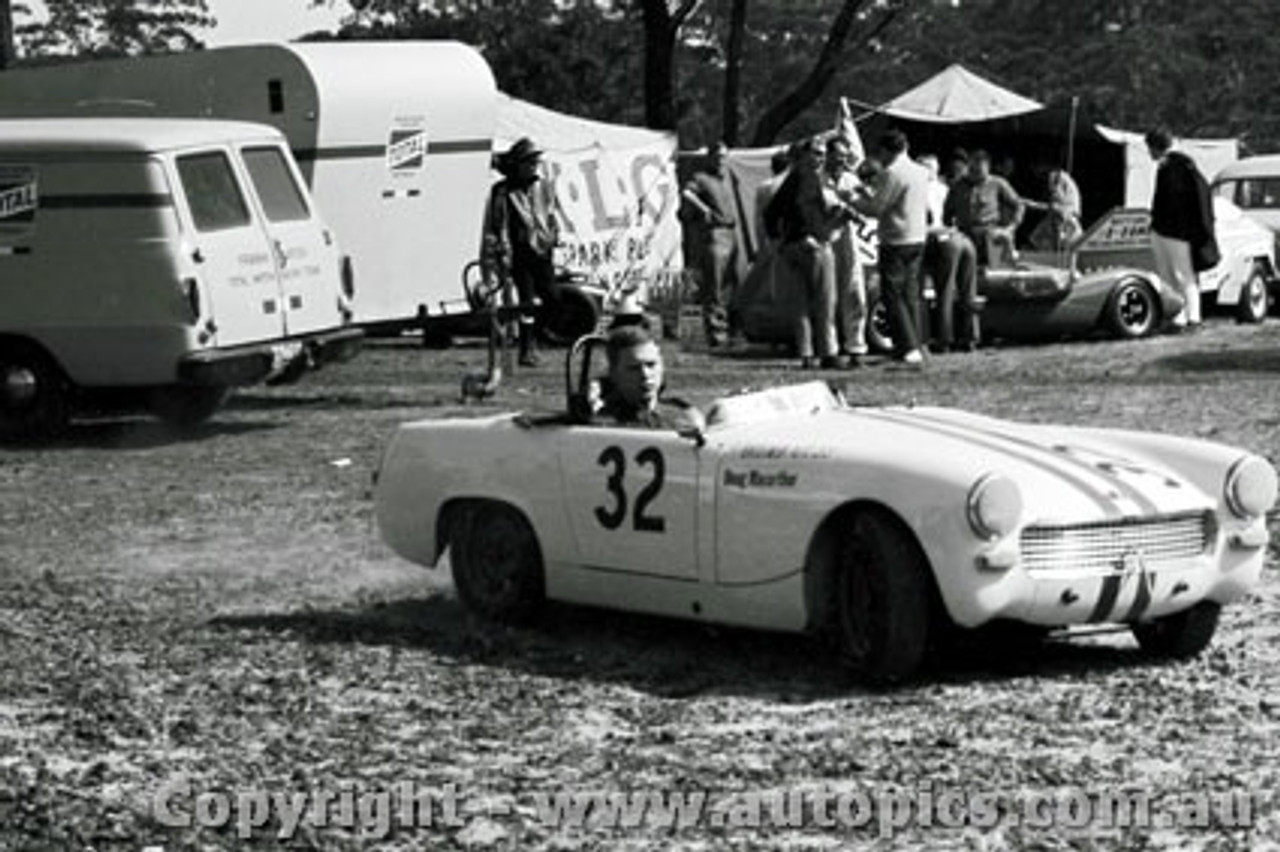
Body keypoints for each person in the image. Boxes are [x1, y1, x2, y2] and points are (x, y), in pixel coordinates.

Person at [480, 137, 562, 367]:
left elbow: (551, 214)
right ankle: (526, 348)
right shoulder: (502, 191)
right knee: (525, 300)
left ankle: (538, 335)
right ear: (518, 164)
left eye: (535, 161)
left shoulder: (544, 186)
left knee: (552, 297)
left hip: (542, 251)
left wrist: (554, 235)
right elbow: (497, 223)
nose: (534, 165)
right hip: (517, 253)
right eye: (529, 161)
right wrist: (497, 250)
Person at [851, 128, 930, 366]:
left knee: (892, 295)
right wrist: (869, 193)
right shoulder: (921, 171)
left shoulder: (892, 173)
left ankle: (907, 347)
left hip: (896, 240)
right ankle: (915, 344)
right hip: (917, 237)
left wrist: (851, 198)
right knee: (910, 295)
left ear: (886, 151)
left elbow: (875, 209)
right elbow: (897, 200)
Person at [765, 136, 844, 369]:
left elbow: (771, 212)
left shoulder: (790, 179)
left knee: (800, 304)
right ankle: (829, 352)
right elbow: (801, 209)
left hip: (792, 247)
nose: (821, 158)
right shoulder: (808, 177)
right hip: (811, 246)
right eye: (817, 153)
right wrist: (807, 233)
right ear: (805, 155)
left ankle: (806, 354)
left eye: (822, 154)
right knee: (825, 299)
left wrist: (778, 240)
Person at [1145, 127, 1217, 331]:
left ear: (1157, 147)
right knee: (1173, 275)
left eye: (1150, 148)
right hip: (1166, 229)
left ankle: (1192, 317)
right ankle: (1179, 317)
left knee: (1182, 275)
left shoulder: (1181, 165)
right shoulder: (1169, 165)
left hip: (1176, 230)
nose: (1149, 153)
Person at [681, 141, 740, 348]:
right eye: (717, 156)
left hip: (732, 233)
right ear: (709, 157)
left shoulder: (729, 178)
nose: (720, 160)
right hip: (714, 233)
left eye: (724, 156)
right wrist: (703, 209)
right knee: (713, 286)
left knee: (730, 284)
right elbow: (687, 193)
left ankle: (732, 330)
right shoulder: (701, 178)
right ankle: (716, 333)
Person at [593, 324, 702, 430]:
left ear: (662, 366)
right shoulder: (601, 423)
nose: (645, 374)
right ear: (614, 373)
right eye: (634, 368)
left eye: (651, 365)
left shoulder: (685, 415)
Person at [824, 135, 870, 365]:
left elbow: (867, 200)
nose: (842, 160)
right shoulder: (817, 179)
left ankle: (856, 347)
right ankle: (830, 349)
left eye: (845, 156)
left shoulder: (851, 179)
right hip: (826, 239)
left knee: (854, 292)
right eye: (838, 155)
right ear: (828, 155)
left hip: (849, 241)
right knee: (827, 295)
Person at [943, 148, 1025, 268]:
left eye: (979, 171)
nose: (976, 174)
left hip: (990, 235)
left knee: (992, 273)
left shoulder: (997, 183)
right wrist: (950, 230)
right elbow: (947, 212)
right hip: (965, 235)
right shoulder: (958, 186)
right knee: (965, 272)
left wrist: (1011, 228)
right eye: (973, 170)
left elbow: (1019, 205)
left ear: (987, 168)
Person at [1026, 167, 1083, 251]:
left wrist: (1033, 204)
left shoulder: (1060, 179)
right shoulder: (1058, 180)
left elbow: (1056, 207)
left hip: (1066, 221)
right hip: (1060, 218)